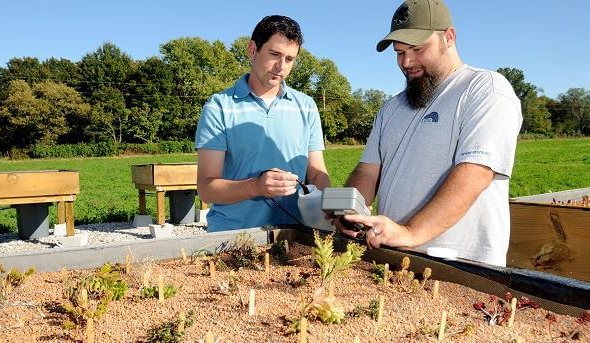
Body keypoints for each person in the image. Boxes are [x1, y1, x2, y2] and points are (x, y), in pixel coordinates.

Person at [336, 0, 522, 266]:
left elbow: (476, 173)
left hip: (463, 268)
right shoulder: (392, 107)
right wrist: (350, 211)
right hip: (394, 259)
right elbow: (367, 171)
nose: (407, 62)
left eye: (418, 48)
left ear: (448, 37)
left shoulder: (485, 89)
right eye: (399, 52)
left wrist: (410, 233)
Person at [195, 15, 330, 232]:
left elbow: (317, 174)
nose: (281, 67)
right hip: (232, 236)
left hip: (295, 237)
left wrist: (328, 207)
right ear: (252, 50)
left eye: (290, 59)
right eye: (274, 54)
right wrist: (256, 186)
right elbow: (206, 188)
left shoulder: (306, 106)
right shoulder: (219, 107)